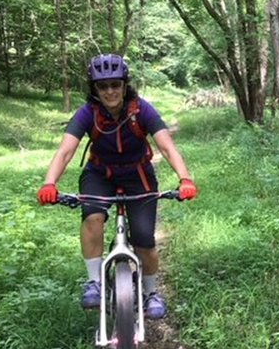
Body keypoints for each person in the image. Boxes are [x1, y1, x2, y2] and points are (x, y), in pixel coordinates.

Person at [36, 53, 197, 319]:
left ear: (125, 85)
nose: (110, 91)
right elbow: (65, 151)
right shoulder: (88, 113)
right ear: (94, 89)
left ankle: (151, 293)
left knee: (144, 241)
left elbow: (167, 147)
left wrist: (185, 178)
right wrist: (49, 182)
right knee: (93, 217)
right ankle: (94, 282)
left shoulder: (141, 109)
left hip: (138, 175)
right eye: (103, 86)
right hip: (100, 174)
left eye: (115, 84)